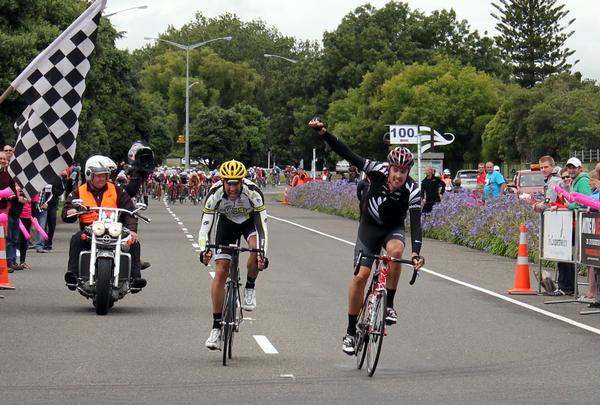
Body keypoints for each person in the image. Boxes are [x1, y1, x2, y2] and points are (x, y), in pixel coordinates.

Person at [308, 117, 424, 355]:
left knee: (396, 253)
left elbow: (415, 221)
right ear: (389, 168)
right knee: (361, 276)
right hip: (369, 229)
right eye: (396, 170)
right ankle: (350, 332)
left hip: (392, 229)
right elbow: (348, 153)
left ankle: (389, 305)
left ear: (408, 172)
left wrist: (416, 253)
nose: (399, 175)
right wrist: (324, 134)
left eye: (404, 171)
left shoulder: (413, 189)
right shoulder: (376, 170)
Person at [198, 159, 269, 350]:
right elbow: (205, 227)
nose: (232, 187)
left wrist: (263, 254)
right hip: (226, 224)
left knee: (255, 248)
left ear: (242, 182)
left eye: (236, 183)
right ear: (222, 181)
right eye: (228, 182)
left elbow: (262, 228)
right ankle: (215, 328)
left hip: (248, 222)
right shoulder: (215, 194)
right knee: (221, 271)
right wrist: (204, 250)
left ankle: (250, 288)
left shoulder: (253, 193)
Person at [62, 155, 147, 292]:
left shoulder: (117, 190)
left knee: (133, 242)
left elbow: (129, 210)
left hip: (115, 229)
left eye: (105, 175)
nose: (102, 179)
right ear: (89, 175)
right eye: (99, 176)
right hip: (90, 230)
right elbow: (67, 209)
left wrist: (132, 230)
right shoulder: (79, 192)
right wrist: (71, 211)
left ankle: (135, 278)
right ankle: (72, 275)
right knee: (76, 238)